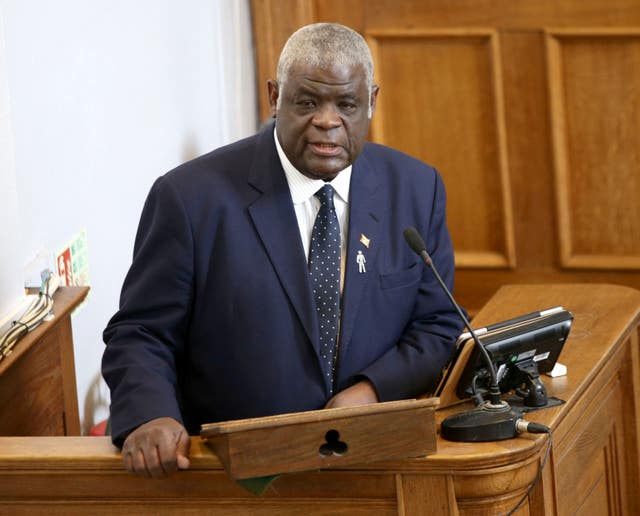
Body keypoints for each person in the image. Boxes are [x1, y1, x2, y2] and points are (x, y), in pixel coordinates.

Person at [102, 22, 463, 479]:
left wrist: (371, 390)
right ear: (275, 97)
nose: (327, 120)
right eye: (307, 102)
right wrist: (151, 414)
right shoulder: (191, 199)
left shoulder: (415, 188)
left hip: (377, 461)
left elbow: (437, 323)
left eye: (346, 104)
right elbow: (142, 332)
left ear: (371, 101)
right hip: (239, 476)